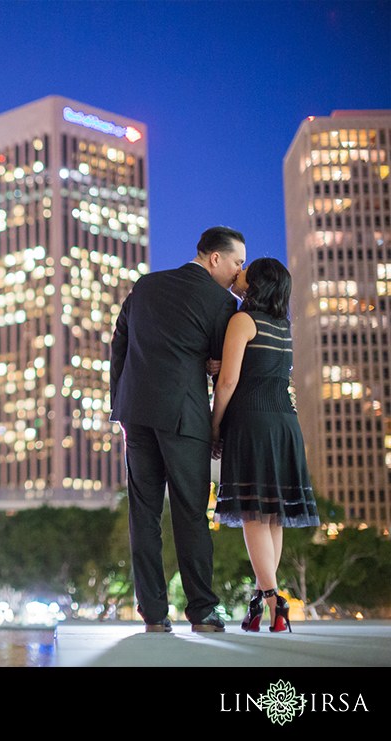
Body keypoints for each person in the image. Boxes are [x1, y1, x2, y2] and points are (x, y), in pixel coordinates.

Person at [110, 225, 246, 632]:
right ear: (215, 258)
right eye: (237, 262)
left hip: (136, 414)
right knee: (190, 514)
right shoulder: (222, 302)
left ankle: (153, 614)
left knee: (143, 515)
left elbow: (119, 343)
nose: (240, 272)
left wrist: (120, 406)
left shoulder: (145, 286)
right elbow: (224, 365)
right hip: (185, 417)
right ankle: (202, 610)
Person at [211, 257, 319, 633]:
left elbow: (228, 382)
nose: (238, 275)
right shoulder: (283, 327)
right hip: (284, 424)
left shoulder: (243, 321)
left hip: (252, 423)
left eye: (245, 272)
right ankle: (262, 601)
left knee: (253, 513)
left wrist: (214, 426)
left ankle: (274, 600)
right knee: (272, 514)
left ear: (255, 284)